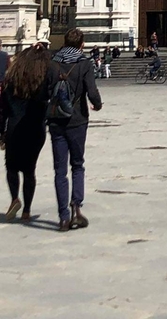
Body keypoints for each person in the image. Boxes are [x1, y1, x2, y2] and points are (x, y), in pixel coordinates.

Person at [47, 28, 102, 230]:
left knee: (59, 170)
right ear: (82, 44)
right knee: (77, 165)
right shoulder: (84, 63)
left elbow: (45, 89)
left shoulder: (52, 63)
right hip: (77, 120)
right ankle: (76, 208)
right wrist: (97, 104)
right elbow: (92, 90)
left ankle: (63, 217)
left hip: (56, 121)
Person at [0, 44, 50, 221]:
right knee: (30, 170)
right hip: (36, 128)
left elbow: (3, 109)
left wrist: (1, 132)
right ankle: (27, 211)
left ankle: (15, 198)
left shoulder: (11, 80)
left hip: (14, 127)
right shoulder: (42, 82)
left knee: (11, 167)